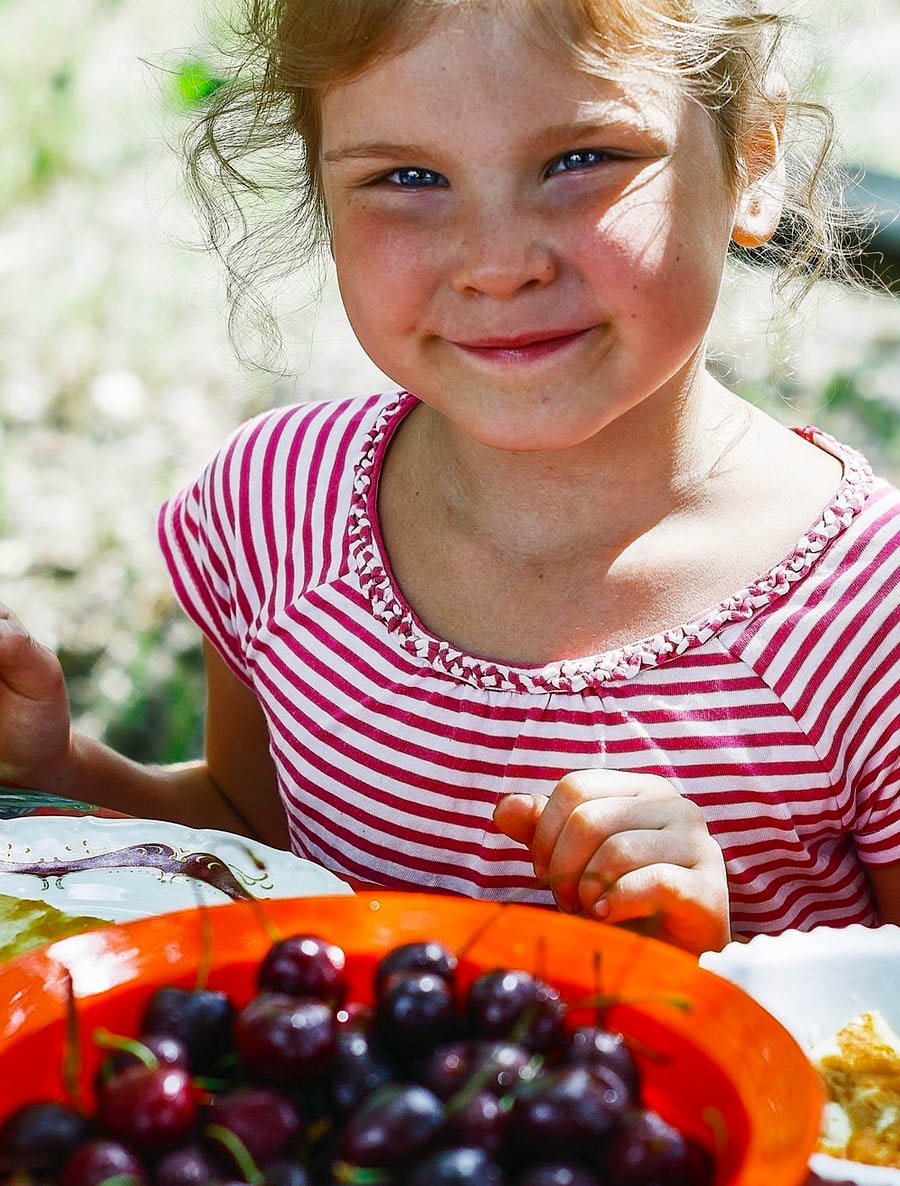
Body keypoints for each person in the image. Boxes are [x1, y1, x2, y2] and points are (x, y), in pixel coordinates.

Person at [1, 0, 899, 956]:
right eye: (408, 176)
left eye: (581, 159)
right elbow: (254, 845)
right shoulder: (275, 509)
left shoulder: (869, 609)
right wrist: (56, 766)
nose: (498, 264)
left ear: (754, 159)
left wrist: (722, 958)